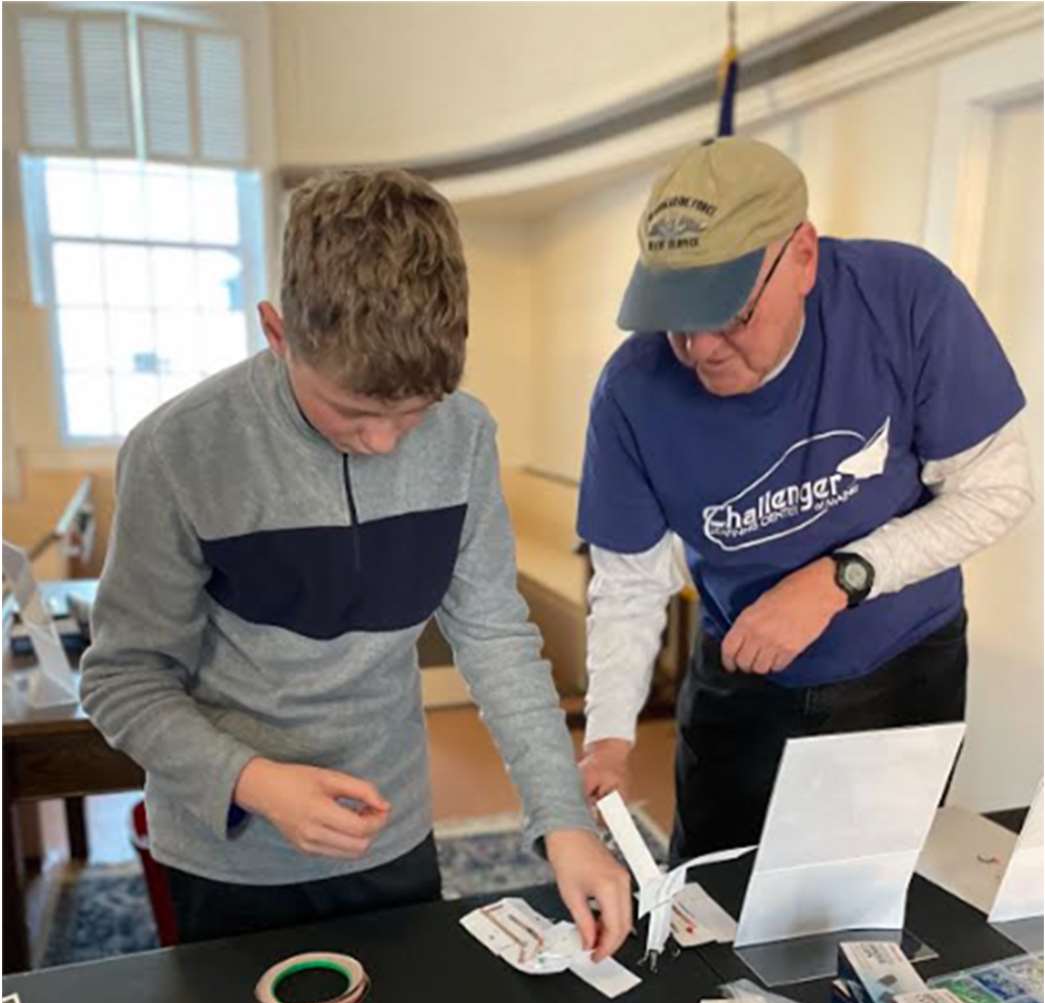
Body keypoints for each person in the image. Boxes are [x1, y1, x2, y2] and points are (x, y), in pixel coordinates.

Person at [81, 168, 632, 953]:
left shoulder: (465, 434)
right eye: (352, 412)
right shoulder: (178, 449)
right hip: (227, 857)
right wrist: (254, 780)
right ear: (277, 333)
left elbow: (494, 638)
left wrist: (563, 820)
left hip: (393, 832)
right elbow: (120, 679)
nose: (383, 443)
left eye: (413, 414)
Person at [576, 137, 1033, 862]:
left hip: (904, 666)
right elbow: (630, 583)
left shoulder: (904, 299)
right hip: (743, 681)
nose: (700, 349)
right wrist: (607, 734)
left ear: (802, 256)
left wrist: (836, 580)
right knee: (714, 906)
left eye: (727, 314)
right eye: (674, 318)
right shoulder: (631, 391)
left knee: (874, 899)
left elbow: (996, 492)